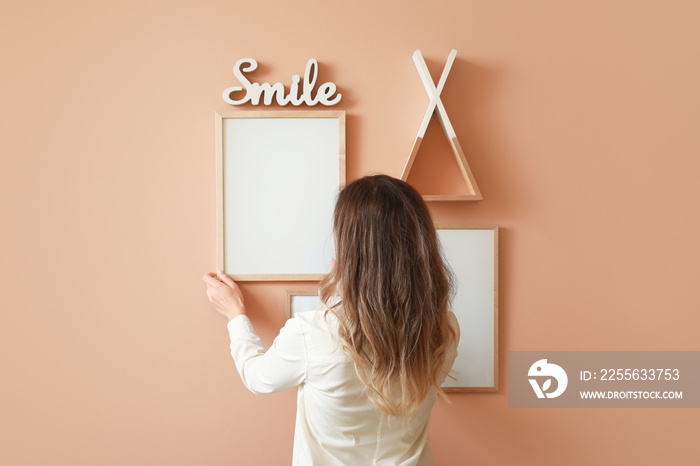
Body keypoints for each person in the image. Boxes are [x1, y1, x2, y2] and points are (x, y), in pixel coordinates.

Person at [203, 174, 460, 465]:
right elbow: (384, 344)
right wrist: (351, 288)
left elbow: (258, 377)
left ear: (351, 254)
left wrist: (235, 314)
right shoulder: (444, 329)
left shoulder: (311, 332)